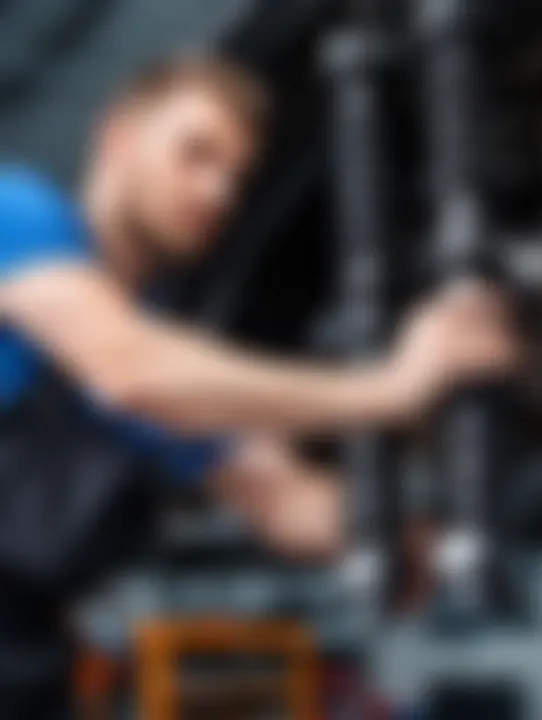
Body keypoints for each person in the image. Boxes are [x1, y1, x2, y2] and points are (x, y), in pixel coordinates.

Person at [0, 56, 516, 716]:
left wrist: (412, 533)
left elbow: (281, 500)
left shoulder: (171, 357)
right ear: (117, 137)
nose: (218, 192)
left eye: (235, 177)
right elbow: (126, 368)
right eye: (196, 153)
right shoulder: (20, 215)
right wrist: (390, 387)